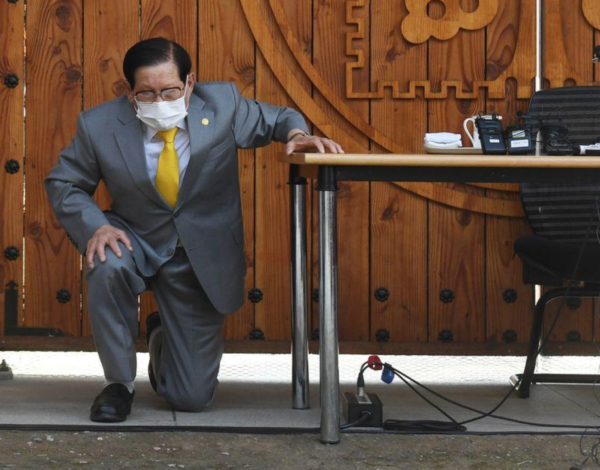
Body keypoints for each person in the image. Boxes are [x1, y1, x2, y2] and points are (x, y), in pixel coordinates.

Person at [45, 37, 344, 423]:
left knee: (190, 398)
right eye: (146, 94)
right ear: (130, 93)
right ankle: (118, 384)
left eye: (169, 90)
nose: (159, 100)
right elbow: (64, 183)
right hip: (133, 237)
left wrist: (298, 136)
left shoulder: (223, 104)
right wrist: (96, 227)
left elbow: (279, 118)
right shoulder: (99, 124)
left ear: (189, 83)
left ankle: (158, 336)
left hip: (197, 256)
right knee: (107, 261)